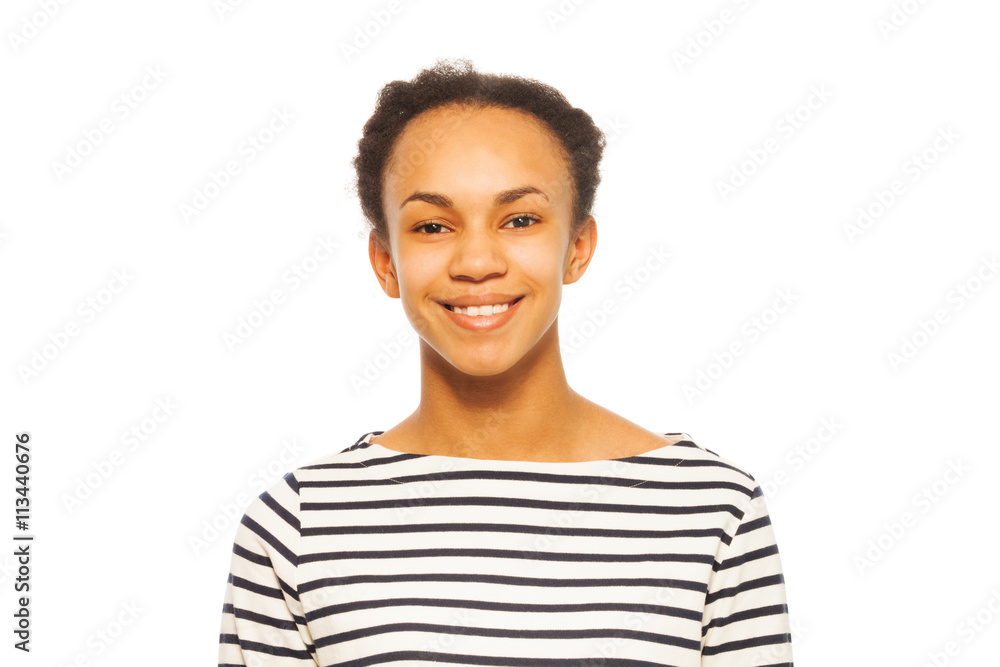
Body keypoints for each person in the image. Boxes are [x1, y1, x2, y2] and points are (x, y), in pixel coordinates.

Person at [218, 58, 794, 666]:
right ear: (385, 261)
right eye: (433, 225)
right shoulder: (297, 525)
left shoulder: (710, 509)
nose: (476, 261)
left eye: (520, 219)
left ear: (577, 247)